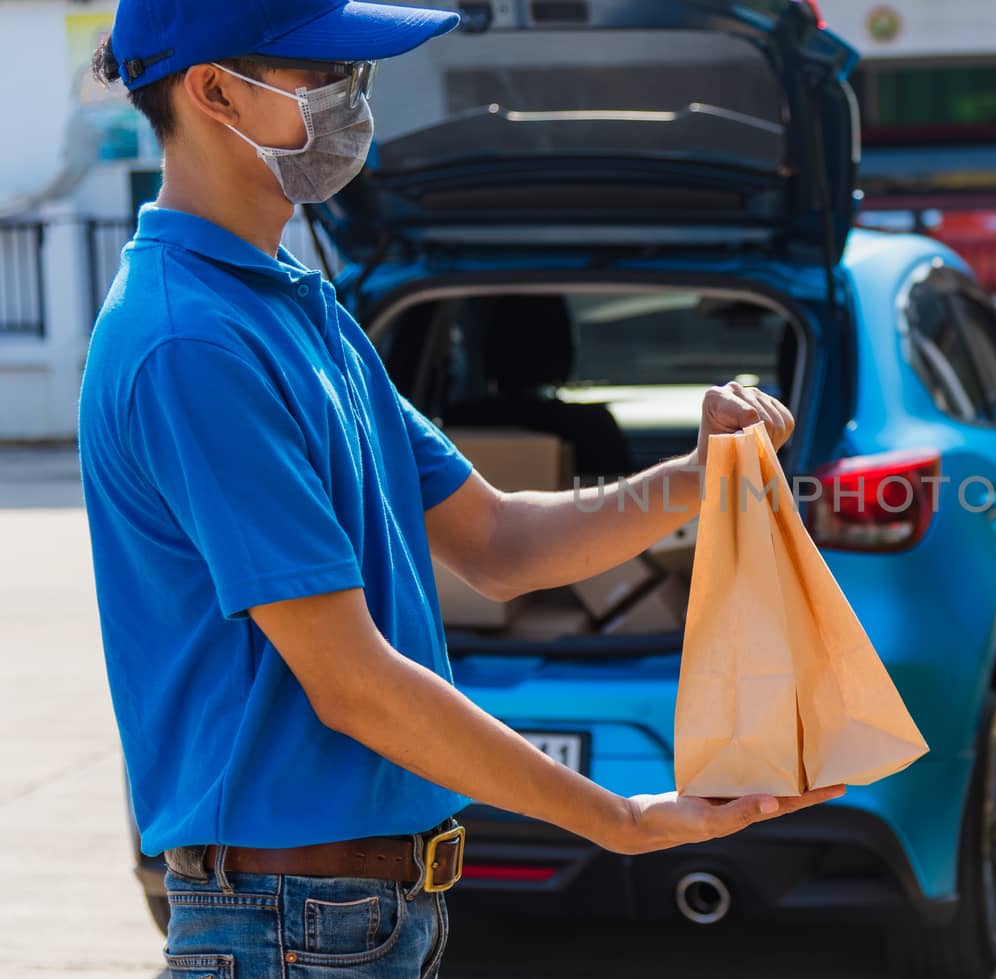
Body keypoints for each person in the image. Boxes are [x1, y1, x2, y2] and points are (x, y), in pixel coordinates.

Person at [77, 2, 841, 976]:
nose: (356, 99)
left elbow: (503, 542)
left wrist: (696, 475)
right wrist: (617, 818)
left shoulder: (299, 314)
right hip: (291, 924)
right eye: (326, 74)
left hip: (356, 915)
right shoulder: (193, 343)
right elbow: (354, 684)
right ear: (216, 90)